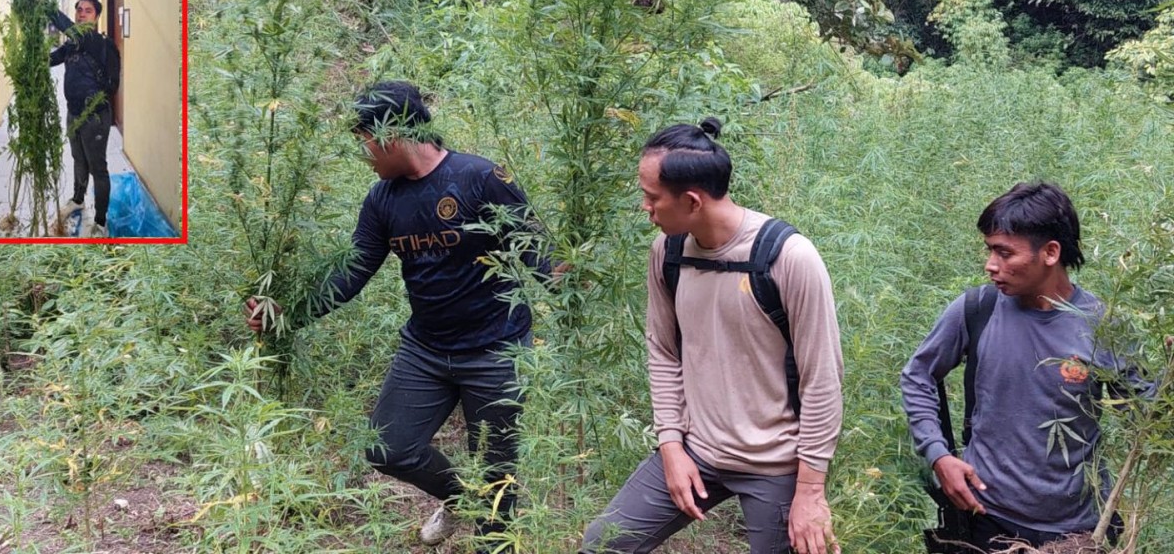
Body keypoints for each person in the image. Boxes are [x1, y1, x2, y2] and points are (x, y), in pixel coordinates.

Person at [246, 81, 551, 552]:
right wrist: (288, 315)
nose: (363, 153)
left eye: (363, 140)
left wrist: (576, 284)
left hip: (497, 352)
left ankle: (491, 525)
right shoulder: (382, 199)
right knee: (387, 449)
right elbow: (350, 274)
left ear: (389, 133)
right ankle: (461, 498)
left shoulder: (482, 178)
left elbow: (539, 257)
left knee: (498, 487)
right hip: (425, 352)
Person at [580, 117, 844, 554]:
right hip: (696, 452)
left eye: (651, 198)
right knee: (602, 545)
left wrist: (810, 491)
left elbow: (822, 379)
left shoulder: (788, 258)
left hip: (775, 464)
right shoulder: (668, 251)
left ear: (692, 201)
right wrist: (671, 445)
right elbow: (663, 351)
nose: (645, 208)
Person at [900, 182, 1152, 551]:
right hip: (989, 520)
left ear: (1050, 253)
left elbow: (1146, 414)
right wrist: (939, 456)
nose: (991, 265)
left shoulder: (1102, 327)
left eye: (1004, 253)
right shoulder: (976, 311)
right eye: (990, 251)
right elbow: (918, 375)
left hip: (1080, 532)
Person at [49, 0, 120, 237]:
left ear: (97, 16)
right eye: (79, 9)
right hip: (73, 113)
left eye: (87, 10)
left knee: (98, 168)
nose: (81, 13)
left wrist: (47, 7)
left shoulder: (100, 43)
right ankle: (78, 199)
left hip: (95, 116)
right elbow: (52, 59)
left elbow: (113, 85)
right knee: (79, 159)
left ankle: (100, 222)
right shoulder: (72, 44)